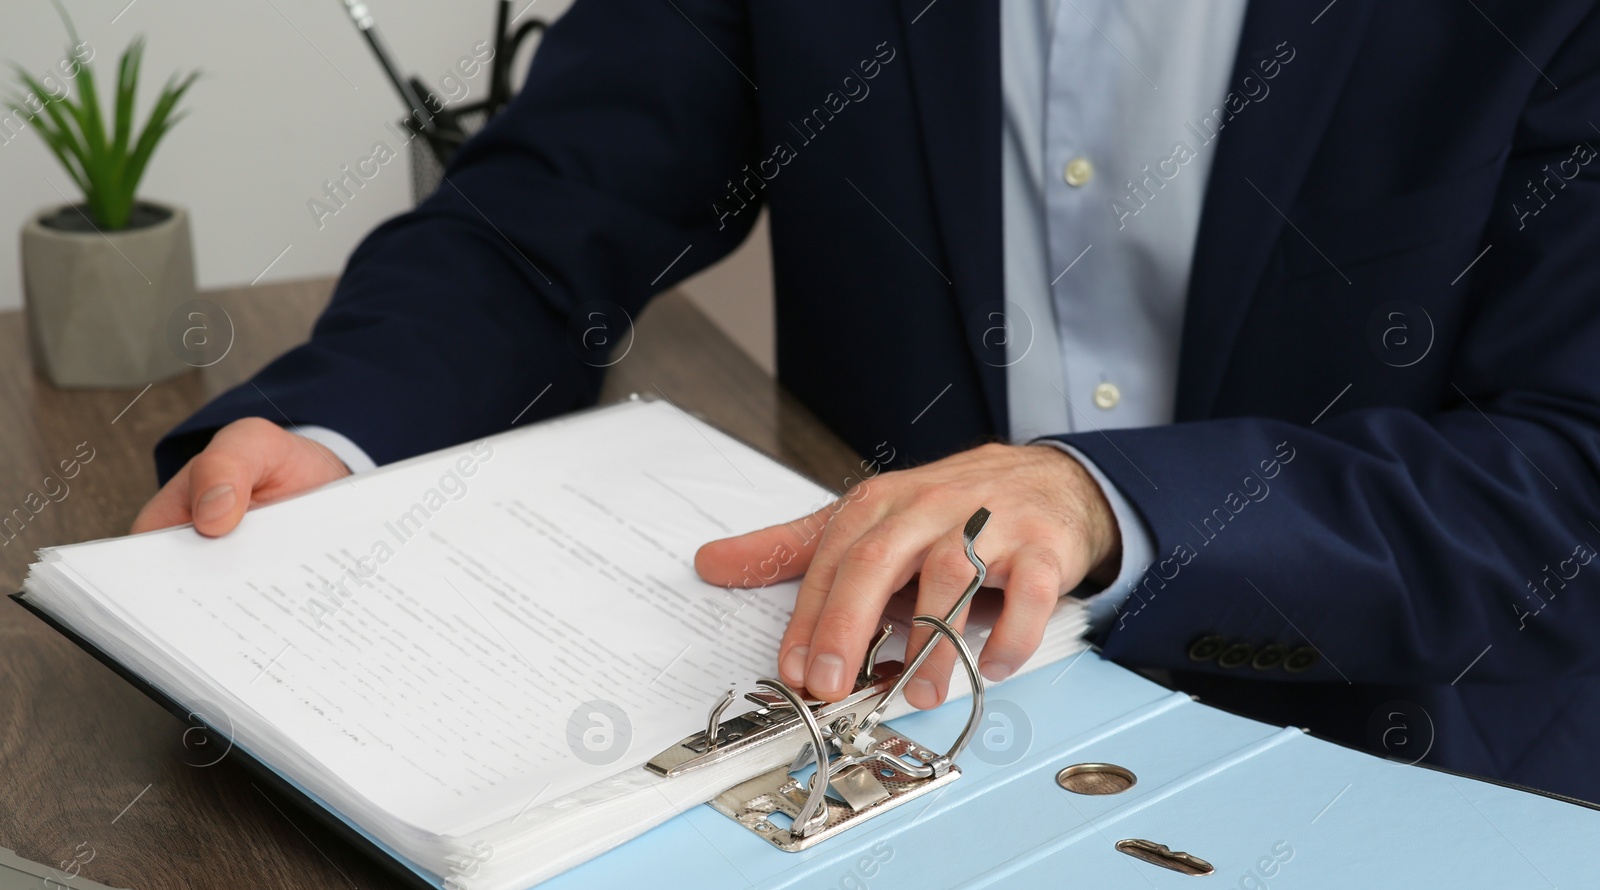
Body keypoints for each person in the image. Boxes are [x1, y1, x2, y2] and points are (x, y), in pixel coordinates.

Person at [133, 1, 1600, 801]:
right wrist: (338, 435)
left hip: (1400, 776)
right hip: (873, 745)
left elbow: (1571, 476)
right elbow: (548, 208)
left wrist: (1108, 499)